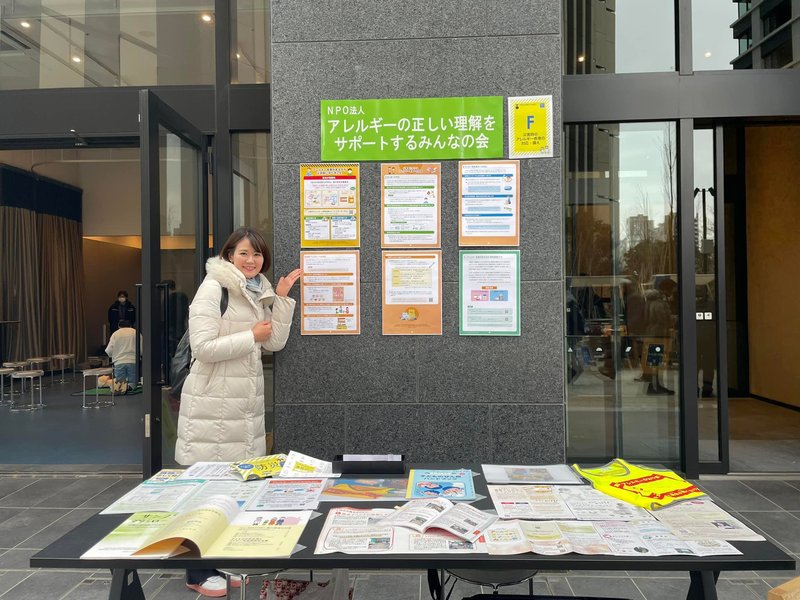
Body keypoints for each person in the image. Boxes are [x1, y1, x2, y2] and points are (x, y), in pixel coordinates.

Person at [176, 227, 302, 597]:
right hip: (212, 406)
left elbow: (274, 342)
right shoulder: (213, 288)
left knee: (232, 490)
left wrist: (281, 299)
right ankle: (197, 572)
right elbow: (202, 347)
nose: (251, 260)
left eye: (257, 254)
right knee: (206, 493)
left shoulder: (257, 290)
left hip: (243, 407)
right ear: (229, 254)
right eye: (244, 253)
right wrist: (250, 336)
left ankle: (218, 561)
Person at [104, 319, 139, 393]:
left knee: (120, 383)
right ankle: (130, 387)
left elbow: (109, 350)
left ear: (119, 326)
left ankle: (121, 389)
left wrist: (112, 356)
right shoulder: (135, 332)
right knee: (133, 382)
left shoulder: (115, 334)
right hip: (133, 360)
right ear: (130, 325)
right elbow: (142, 348)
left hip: (119, 361)